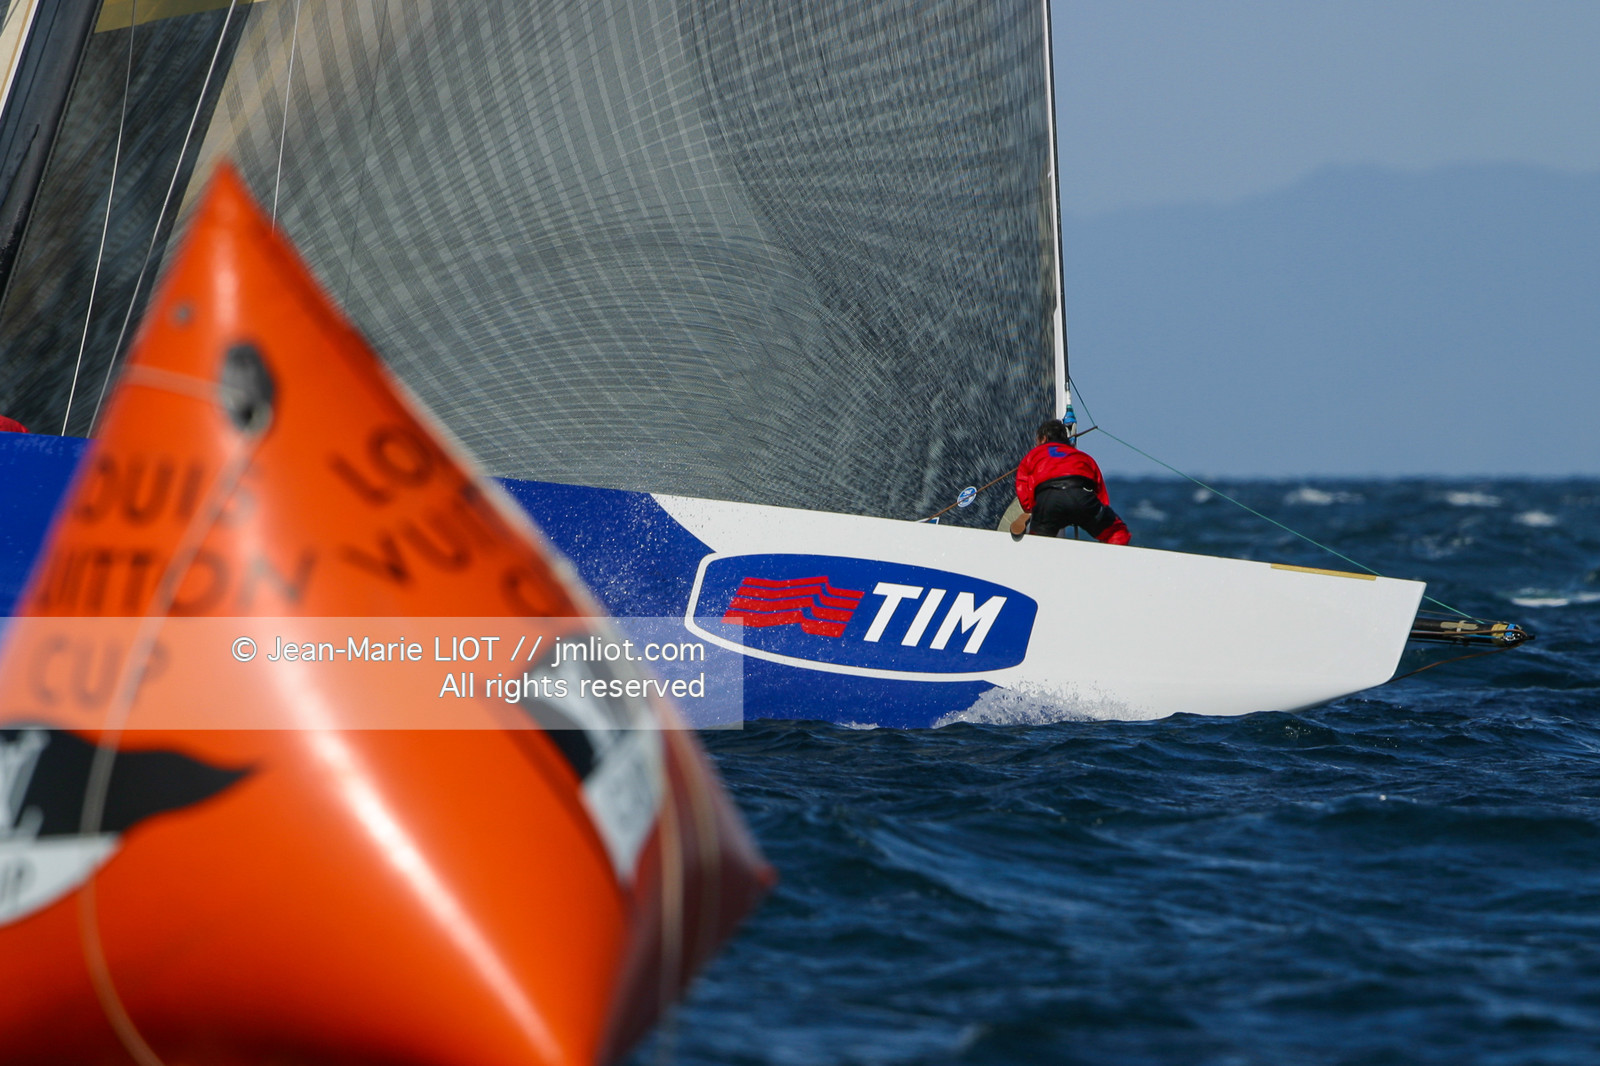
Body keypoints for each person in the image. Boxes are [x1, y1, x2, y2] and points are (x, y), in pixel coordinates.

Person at [1014, 418, 1129, 544]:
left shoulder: (1033, 455)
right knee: (1117, 532)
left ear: (1044, 439)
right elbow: (1102, 498)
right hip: (1082, 498)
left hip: (1048, 501)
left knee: (1038, 543)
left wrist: (1034, 511)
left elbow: (1025, 496)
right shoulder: (1084, 457)